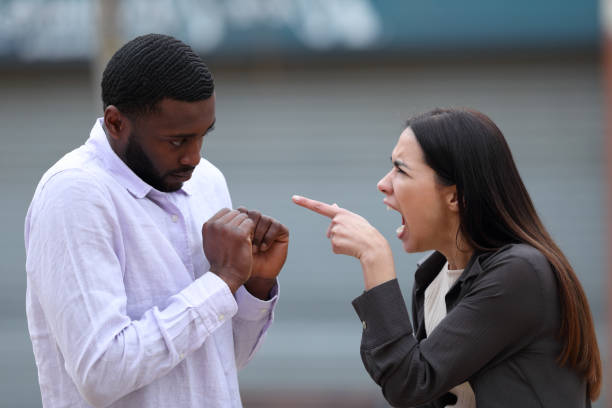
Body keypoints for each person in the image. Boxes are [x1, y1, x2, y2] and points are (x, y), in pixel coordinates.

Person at [24, 33, 289, 407]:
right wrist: (221, 282)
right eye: (177, 141)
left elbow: (219, 364)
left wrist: (254, 284)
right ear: (116, 123)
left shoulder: (207, 182)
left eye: (202, 136)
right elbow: (101, 373)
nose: (194, 158)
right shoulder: (76, 194)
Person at [293, 108, 601, 407]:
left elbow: (411, 382)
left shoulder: (520, 273)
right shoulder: (433, 278)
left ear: (455, 196)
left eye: (401, 169)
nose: (383, 183)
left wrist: (374, 257)